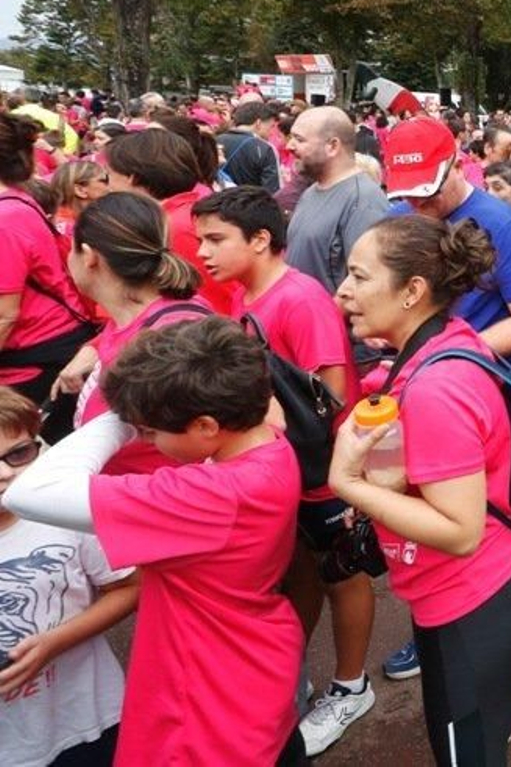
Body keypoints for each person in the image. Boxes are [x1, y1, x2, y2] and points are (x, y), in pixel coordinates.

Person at [5, 317, 305, 763]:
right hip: (252, 664)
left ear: (205, 426)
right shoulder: (266, 443)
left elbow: (29, 492)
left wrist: (120, 418)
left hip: (206, 702)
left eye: (150, 431)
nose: (143, 438)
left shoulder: (210, 496)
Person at [330, 215, 511, 762]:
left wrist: (348, 484)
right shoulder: (441, 342)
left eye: (358, 276)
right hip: (482, 590)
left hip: (471, 601)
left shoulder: (437, 386)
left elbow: (460, 531)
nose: (343, 291)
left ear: (413, 292)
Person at [190, 186, 372, 756]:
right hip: (282, 470)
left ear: (261, 239)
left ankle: (352, 684)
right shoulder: (250, 296)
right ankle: (292, 675)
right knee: (299, 571)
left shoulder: (301, 298)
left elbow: (333, 393)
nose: (203, 253)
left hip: (317, 472)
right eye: (200, 240)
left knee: (343, 573)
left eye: (216, 239)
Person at [0, 387, 139, 767]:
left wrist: (55, 642)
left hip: (87, 715)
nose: (5, 473)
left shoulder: (65, 518)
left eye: (19, 453)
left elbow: (129, 587)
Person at [52, 192, 211, 476]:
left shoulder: (171, 337)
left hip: (156, 500)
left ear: (89, 257)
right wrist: (91, 350)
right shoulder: (149, 313)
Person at [383, 117, 511, 366]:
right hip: (407, 374)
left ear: (460, 167)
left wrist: (450, 355)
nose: (418, 203)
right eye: (409, 193)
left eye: (429, 192)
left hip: (475, 381)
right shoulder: (395, 220)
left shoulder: (505, 228)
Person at [0, 112, 98, 412]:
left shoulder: (6, 217)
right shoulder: (16, 201)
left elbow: (5, 316)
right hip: (44, 348)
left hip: (36, 357)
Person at [103, 128, 235, 313]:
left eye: (109, 175)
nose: (106, 185)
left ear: (132, 177)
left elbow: (218, 300)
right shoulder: (186, 211)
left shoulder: (175, 227)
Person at [285, 107, 391, 296]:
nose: (289, 146)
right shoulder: (310, 192)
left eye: (300, 140)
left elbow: (368, 283)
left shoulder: (364, 200)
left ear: (333, 146)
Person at [218, 101, 283, 192]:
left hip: (218, 202)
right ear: (258, 123)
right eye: (271, 126)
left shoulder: (215, 141)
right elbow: (273, 189)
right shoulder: (265, 148)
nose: (271, 132)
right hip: (251, 203)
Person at [49, 159, 110, 246]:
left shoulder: (79, 222)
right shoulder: (70, 232)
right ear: (80, 190)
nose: (110, 186)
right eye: (104, 181)